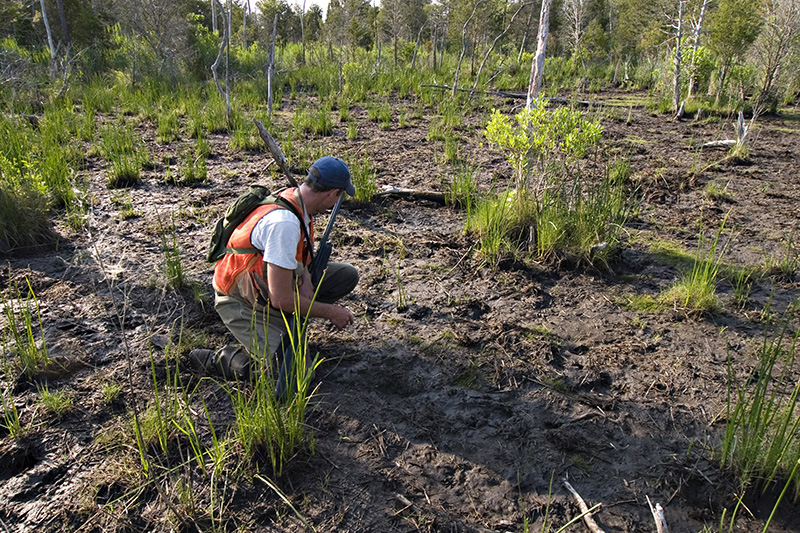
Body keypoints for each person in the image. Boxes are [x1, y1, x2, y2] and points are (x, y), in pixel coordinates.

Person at [190, 156, 359, 382]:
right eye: (339, 197)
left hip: (267, 289)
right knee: (295, 378)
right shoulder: (284, 223)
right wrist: (331, 313)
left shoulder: (295, 200)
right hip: (240, 301)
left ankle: (286, 327)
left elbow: (299, 255)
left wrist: (306, 278)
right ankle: (221, 358)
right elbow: (281, 299)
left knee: (344, 276)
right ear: (332, 194)